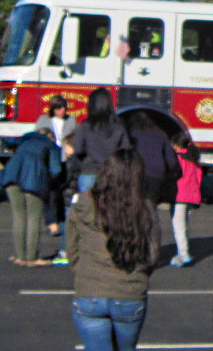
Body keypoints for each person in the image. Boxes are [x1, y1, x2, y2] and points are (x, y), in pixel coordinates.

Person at [67, 148, 160, 351]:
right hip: (129, 292)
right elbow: (152, 255)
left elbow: (72, 249)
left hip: (90, 291)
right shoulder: (144, 207)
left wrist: (85, 273)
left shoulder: (84, 202)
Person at [0, 128, 63, 266]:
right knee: (34, 217)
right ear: (50, 136)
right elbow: (56, 169)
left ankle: (20, 255)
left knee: (18, 216)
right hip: (33, 178)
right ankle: (32, 257)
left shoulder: (24, 139)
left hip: (12, 173)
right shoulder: (49, 144)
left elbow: (8, 145)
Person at [68, 88, 130, 195]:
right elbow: (126, 150)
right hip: (112, 173)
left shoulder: (86, 125)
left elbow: (78, 149)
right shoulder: (118, 126)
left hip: (89, 172)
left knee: (88, 209)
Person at [36, 96, 77, 237]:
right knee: (51, 192)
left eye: (64, 108)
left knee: (63, 191)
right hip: (51, 159)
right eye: (59, 108)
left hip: (65, 159)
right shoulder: (44, 120)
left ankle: (60, 219)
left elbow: (73, 138)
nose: (62, 111)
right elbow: (39, 136)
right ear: (53, 109)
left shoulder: (71, 120)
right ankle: (52, 222)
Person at [127, 113, 179, 203]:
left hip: (136, 171)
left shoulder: (132, 134)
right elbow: (171, 160)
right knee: (150, 203)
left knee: (135, 203)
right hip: (156, 173)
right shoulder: (161, 135)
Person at [168, 132, 203, 267]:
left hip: (179, 196)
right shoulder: (193, 159)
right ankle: (183, 250)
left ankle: (183, 254)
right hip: (192, 196)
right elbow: (199, 178)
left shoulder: (177, 159)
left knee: (179, 225)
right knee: (184, 224)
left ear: (175, 145)